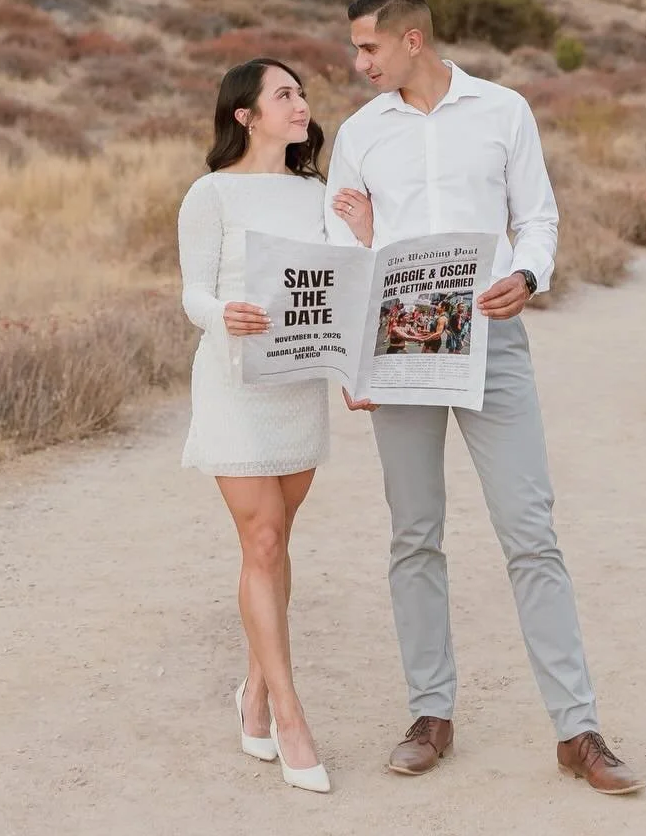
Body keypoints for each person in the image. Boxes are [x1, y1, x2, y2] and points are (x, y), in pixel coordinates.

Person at [324, 0, 642, 796]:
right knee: (414, 534)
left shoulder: (503, 111)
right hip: (399, 346)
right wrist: (354, 349)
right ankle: (430, 714)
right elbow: (339, 251)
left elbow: (537, 216)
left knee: (530, 531)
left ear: (413, 40)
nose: (358, 63)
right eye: (355, 49)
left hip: (492, 345)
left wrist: (528, 275)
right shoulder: (359, 136)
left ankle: (577, 730)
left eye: (368, 47)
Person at [178, 56, 372, 795]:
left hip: (297, 383)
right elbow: (193, 293)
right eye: (284, 94)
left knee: (277, 541)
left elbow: (342, 285)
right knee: (261, 540)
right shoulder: (211, 194)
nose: (301, 105)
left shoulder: (315, 195)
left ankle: (254, 692)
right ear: (246, 114)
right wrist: (223, 313)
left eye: (302, 94)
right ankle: (290, 717)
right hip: (234, 385)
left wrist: (364, 232)